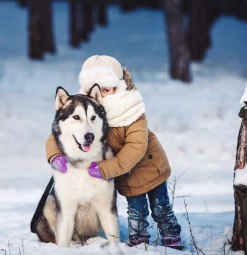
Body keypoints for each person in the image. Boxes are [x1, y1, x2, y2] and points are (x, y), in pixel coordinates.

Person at [46, 55, 182, 250]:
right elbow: (56, 134)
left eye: (106, 89)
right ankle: (139, 242)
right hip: (126, 174)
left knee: (161, 208)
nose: (102, 93)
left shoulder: (130, 110)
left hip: (150, 167)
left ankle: (172, 238)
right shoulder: (89, 108)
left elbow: (136, 147)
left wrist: (105, 168)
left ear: (117, 87)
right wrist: (55, 155)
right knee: (137, 211)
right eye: (97, 89)